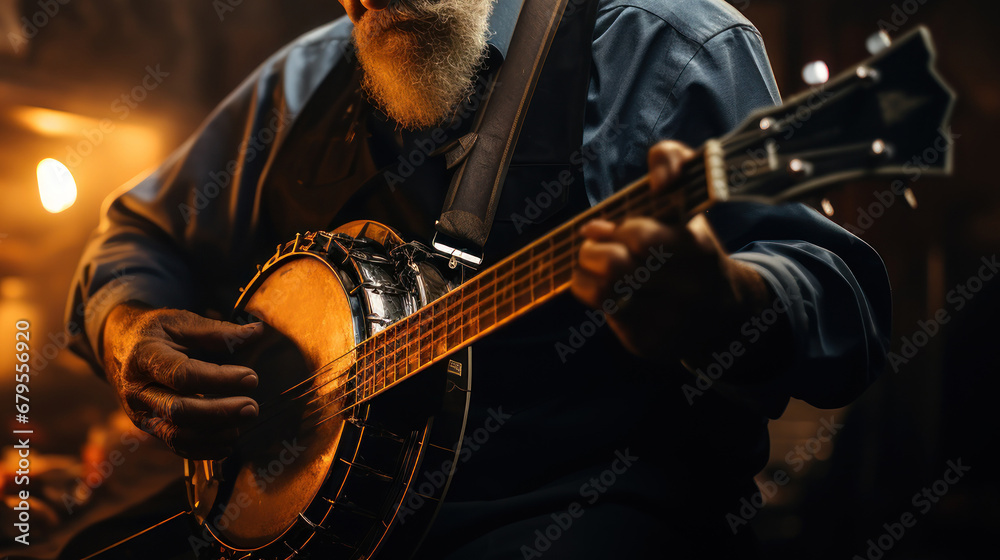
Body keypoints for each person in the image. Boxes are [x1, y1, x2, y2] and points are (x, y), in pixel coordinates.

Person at [67, 0, 891, 557]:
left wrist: (731, 307)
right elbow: (139, 233)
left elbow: (844, 308)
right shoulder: (307, 78)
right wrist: (128, 328)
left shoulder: (667, 46)